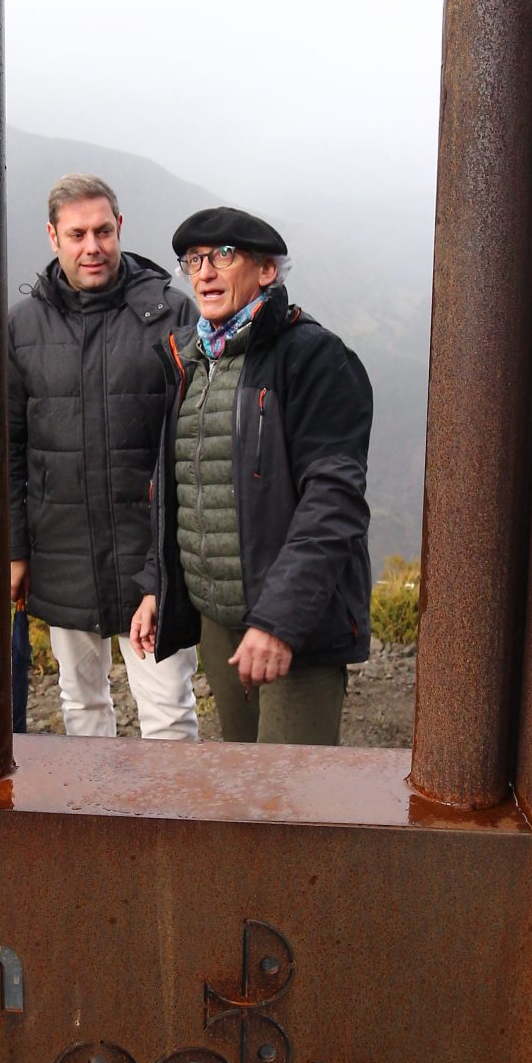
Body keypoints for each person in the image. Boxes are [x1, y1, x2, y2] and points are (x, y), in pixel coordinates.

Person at [130, 208, 372, 745]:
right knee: (242, 785)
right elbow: (181, 488)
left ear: (267, 271)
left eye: (223, 256)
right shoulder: (191, 360)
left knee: (288, 800)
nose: (204, 272)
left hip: (293, 626)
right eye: (193, 260)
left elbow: (333, 503)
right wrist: (157, 585)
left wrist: (279, 620)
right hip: (220, 621)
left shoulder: (314, 358)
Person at [8, 177, 199, 739]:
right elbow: (10, 449)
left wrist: (167, 568)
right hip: (61, 552)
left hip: (153, 557)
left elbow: (191, 446)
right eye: (77, 234)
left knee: (167, 712)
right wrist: (16, 549)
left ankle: (169, 827)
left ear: (121, 229)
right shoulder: (22, 327)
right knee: (81, 709)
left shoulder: (173, 315)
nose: (91, 246)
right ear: (52, 237)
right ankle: (92, 825)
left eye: (102, 231)